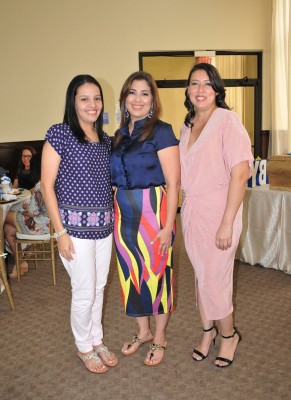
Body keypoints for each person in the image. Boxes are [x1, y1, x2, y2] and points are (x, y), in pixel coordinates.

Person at [41, 74, 117, 374]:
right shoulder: (60, 134)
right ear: (73, 102)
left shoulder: (106, 139)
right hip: (74, 231)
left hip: (104, 228)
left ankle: (96, 339)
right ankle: (83, 346)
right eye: (84, 98)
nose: (92, 104)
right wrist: (60, 232)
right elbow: (47, 187)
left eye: (96, 98)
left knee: (99, 287)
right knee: (84, 291)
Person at [179, 62, 253, 368]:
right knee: (202, 276)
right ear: (187, 90)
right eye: (194, 84)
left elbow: (240, 174)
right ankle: (207, 332)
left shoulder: (228, 121)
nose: (200, 90)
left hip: (221, 212)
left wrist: (226, 224)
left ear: (217, 90)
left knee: (216, 280)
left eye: (207, 84)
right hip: (193, 211)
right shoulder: (186, 125)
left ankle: (228, 336)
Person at [110, 71, 180, 367]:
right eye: (132, 93)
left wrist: (167, 226)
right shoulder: (119, 134)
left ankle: (160, 336)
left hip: (154, 211)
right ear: (124, 98)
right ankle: (142, 332)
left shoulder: (162, 131)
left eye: (144, 93)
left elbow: (174, 183)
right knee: (131, 274)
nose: (137, 99)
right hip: (122, 214)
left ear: (152, 100)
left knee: (158, 274)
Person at [4, 153, 49, 278]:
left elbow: (33, 212)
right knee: (8, 229)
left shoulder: (41, 184)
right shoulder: (51, 181)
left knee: (3, 215)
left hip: (38, 224)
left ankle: (16, 262)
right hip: (46, 222)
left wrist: (26, 208)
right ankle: (21, 262)